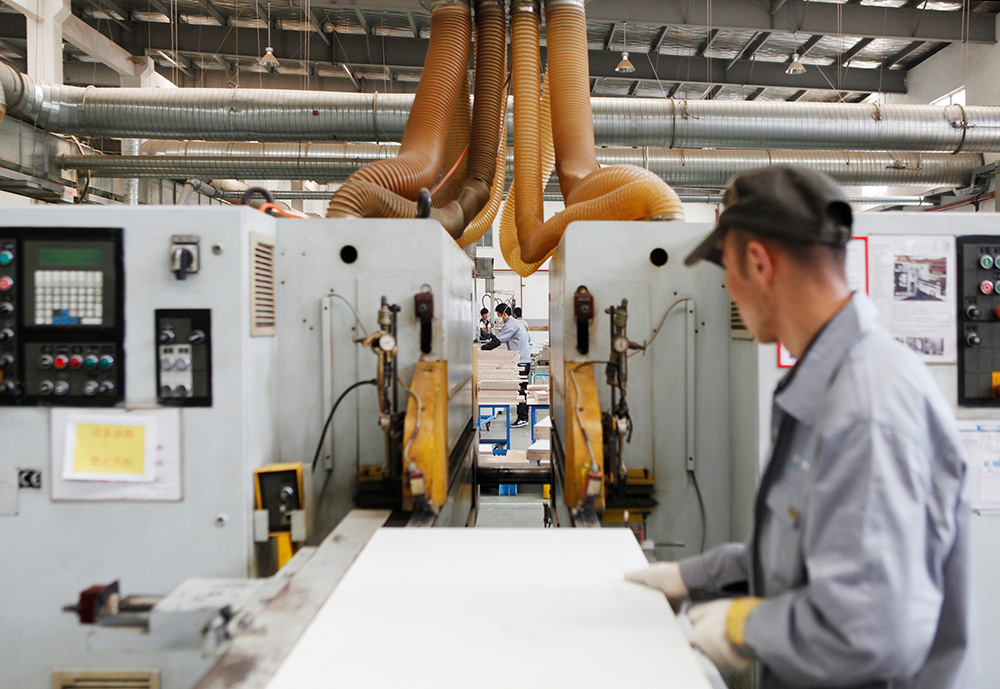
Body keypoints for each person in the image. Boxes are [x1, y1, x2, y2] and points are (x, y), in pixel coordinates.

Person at [626, 165, 977, 689]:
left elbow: (868, 632)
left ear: (759, 263)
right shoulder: (832, 383)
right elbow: (810, 548)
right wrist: (691, 577)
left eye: (726, 269)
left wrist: (744, 624)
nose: (727, 288)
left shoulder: (864, 408)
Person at [482, 303, 532, 427]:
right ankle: (524, 415)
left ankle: (523, 418)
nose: (500, 319)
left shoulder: (510, 324)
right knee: (522, 389)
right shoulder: (516, 323)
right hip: (524, 359)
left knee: (520, 390)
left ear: (504, 314)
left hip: (521, 361)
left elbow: (499, 340)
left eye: (499, 316)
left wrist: (482, 350)